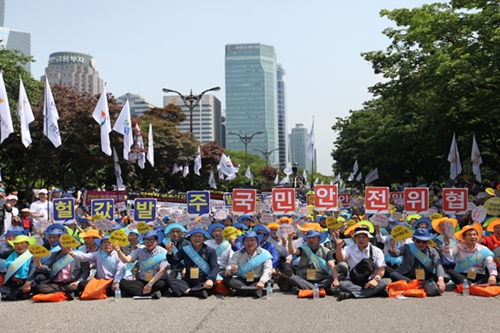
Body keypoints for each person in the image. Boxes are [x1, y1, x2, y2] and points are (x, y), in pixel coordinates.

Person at [335, 226, 388, 301]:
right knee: (343, 285)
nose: (361, 239)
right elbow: (340, 259)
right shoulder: (349, 248)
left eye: (364, 237)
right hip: (354, 280)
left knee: (383, 283)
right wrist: (338, 248)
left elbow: (381, 268)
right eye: (358, 237)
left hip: (370, 280)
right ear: (354, 238)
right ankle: (374, 292)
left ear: (369, 238)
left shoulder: (377, 251)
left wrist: (376, 280)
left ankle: (351, 294)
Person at [389, 228, 447, 295]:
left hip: (426, 276)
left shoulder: (432, 251)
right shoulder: (407, 247)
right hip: (409, 275)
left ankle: (420, 284)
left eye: (424, 242)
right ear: (413, 240)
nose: (421, 243)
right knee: (393, 275)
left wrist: (440, 280)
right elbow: (396, 254)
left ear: (428, 242)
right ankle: (420, 284)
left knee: (446, 277)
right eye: (418, 241)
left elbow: (438, 264)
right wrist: (393, 249)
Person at [32, 234, 90, 299]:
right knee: (40, 287)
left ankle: (62, 293)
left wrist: (78, 281)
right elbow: (46, 267)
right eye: (63, 243)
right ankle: (66, 293)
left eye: (69, 243)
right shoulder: (54, 255)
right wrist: (39, 264)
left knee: (75, 287)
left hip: (72, 282)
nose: (66, 246)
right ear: (60, 245)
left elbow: (86, 271)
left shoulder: (80, 255)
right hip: (57, 283)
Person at [166, 228, 218, 298]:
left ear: (203, 238)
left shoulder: (210, 251)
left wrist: (210, 279)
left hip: (203, 280)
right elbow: (173, 260)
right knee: (169, 280)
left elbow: (215, 267)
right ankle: (195, 292)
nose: (197, 238)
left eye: (199, 236)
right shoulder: (186, 249)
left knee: (213, 283)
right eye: (194, 236)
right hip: (188, 281)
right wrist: (169, 252)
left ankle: (186, 291)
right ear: (190, 238)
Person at [114, 230, 167, 299]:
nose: (149, 242)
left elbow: (162, 271)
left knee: (161, 284)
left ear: (156, 241)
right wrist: (119, 251)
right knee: (123, 283)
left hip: (155, 281)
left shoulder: (162, 252)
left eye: (151, 240)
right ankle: (151, 294)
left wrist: (150, 284)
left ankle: (140, 293)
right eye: (146, 240)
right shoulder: (140, 250)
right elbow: (126, 260)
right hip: (142, 281)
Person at [223, 231, 273, 298]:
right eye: (247, 241)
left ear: (257, 242)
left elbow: (268, 269)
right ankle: (254, 291)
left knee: (270, 281)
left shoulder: (264, 253)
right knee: (226, 279)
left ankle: (241, 291)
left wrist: (262, 282)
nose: (250, 243)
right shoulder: (237, 253)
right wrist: (231, 270)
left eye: (252, 240)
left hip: (258, 279)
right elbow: (230, 266)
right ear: (243, 243)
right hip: (243, 279)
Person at [0, 235, 37, 300]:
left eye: (22, 243)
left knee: (31, 287)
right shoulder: (11, 253)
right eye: (17, 244)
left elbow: (33, 270)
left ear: (28, 245)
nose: (19, 246)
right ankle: (16, 295)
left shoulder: (32, 256)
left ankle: (11, 296)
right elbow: (1, 253)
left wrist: (28, 283)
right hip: (12, 284)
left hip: (25, 283)